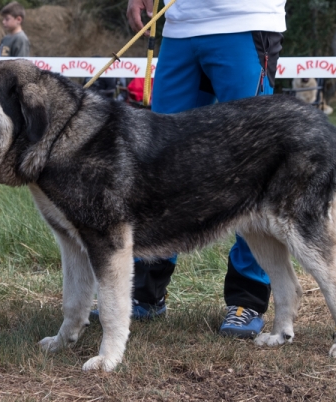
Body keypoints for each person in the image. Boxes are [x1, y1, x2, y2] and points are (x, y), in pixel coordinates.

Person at [124, 0, 285, 338]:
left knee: (250, 165)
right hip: (181, 26)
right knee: (158, 164)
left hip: (245, 20)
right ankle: (145, 293)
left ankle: (247, 300)